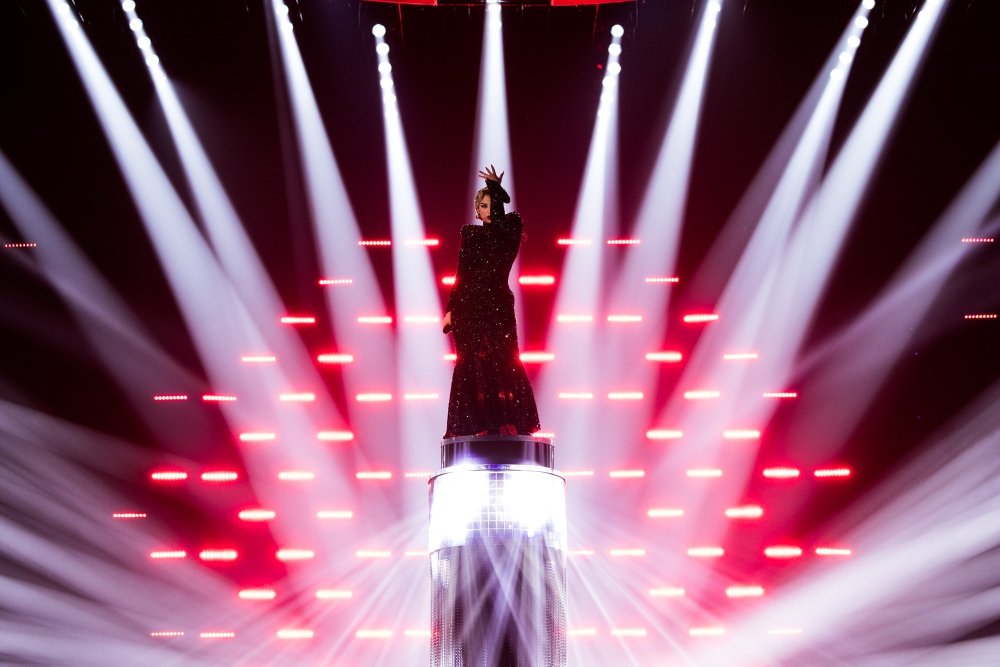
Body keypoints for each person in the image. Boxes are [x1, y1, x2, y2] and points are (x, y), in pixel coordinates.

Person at [442, 165, 541, 438]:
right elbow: (461, 273)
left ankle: (507, 423)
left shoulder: (510, 228)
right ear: (477, 210)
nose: (488, 210)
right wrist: (450, 308)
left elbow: (499, 223)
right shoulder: (470, 234)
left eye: (491, 204)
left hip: (497, 304)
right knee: (470, 363)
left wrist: (495, 189)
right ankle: (477, 426)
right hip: (468, 306)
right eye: (483, 205)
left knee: (503, 359)